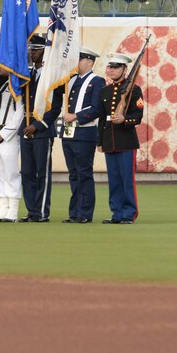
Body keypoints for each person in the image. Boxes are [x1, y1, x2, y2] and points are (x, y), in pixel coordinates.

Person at [19, 34, 63, 223]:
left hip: (42, 130)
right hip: (25, 128)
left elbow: (56, 106)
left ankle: (42, 212)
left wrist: (36, 125)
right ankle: (32, 211)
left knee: (41, 173)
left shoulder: (51, 76)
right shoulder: (27, 75)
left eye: (36, 49)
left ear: (45, 51)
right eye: (31, 49)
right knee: (27, 173)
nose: (32, 53)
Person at [96, 52, 144, 224]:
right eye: (110, 67)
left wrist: (125, 119)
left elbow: (138, 116)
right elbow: (102, 119)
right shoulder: (105, 91)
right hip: (110, 141)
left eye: (116, 67)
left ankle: (129, 213)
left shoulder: (134, 90)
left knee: (126, 180)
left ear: (125, 69)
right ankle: (116, 213)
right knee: (114, 180)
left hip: (126, 141)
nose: (112, 70)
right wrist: (100, 142)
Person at [60, 47, 106, 224]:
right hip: (69, 132)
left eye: (79, 60)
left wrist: (77, 116)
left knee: (83, 173)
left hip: (84, 132)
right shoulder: (70, 81)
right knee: (73, 174)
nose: (76, 63)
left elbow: (96, 108)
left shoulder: (97, 81)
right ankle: (74, 212)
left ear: (89, 62)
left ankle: (85, 213)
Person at [0, 65, 24, 222]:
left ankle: (13, 209)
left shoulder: (16, 86)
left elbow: (19, 112)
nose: (0, 67)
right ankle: (2, 207)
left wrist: (5, 133)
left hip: (7, 134)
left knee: (10, 172)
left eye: (3, 64)